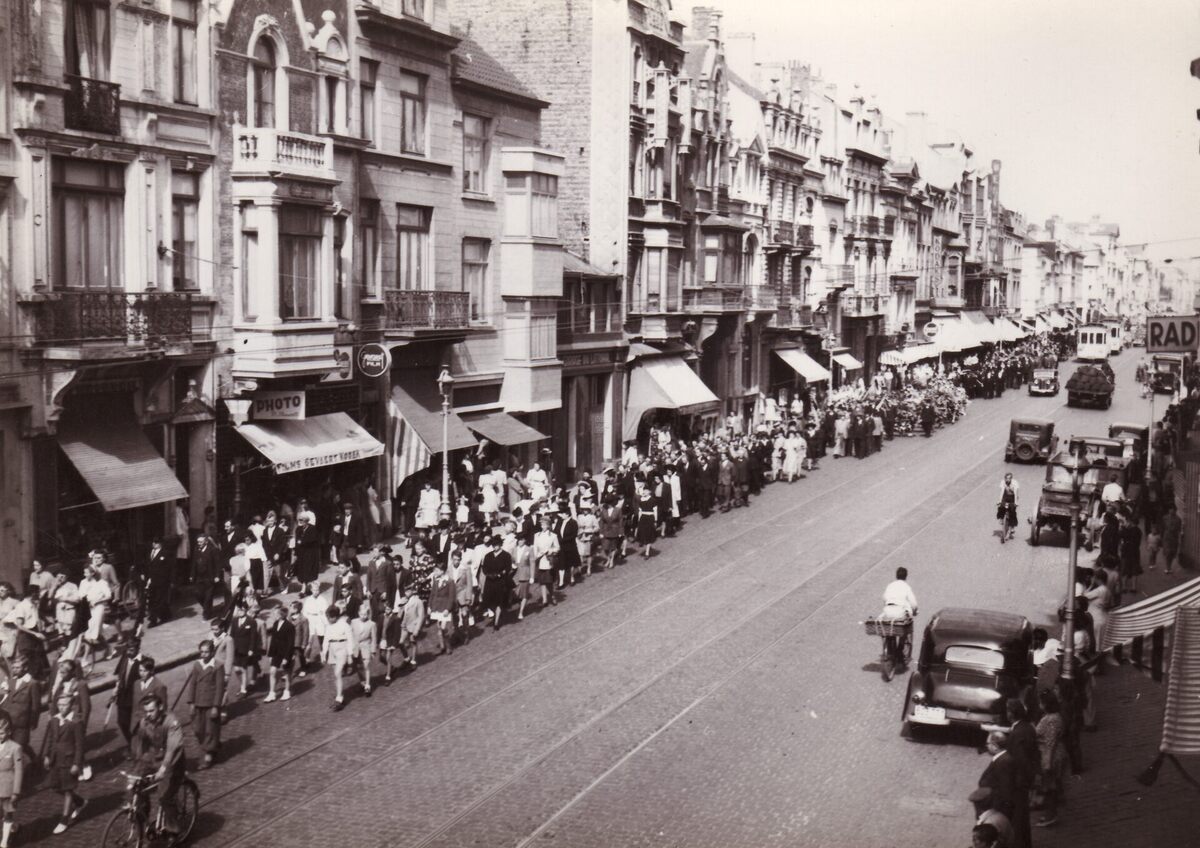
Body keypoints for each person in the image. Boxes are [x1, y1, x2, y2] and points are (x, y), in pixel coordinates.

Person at [130, 692, 186, 835]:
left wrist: (163, 769)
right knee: (137, 789)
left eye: (151, 711)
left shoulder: (171, 722)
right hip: (155, 759)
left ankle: (173, 830)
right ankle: (142, 823)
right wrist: (136, 768)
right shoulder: (144, 722)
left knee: (165, 797)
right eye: (146, 711)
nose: (148, 715)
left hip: (173, 763)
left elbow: (172, 748)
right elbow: (141, 746)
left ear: (160, 707)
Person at [43, 693, 86, 834]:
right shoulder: (54, 720)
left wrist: (77, 764)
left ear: (71, 705)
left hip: (69, 760)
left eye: (65, 705)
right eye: (59, 705)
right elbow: (50, 739)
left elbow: (80, 745)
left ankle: (64, 819)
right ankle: (79, 801)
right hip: (56, 759)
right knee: (54, 786)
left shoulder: (76, 722)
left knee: (68, 789)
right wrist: (47, 755)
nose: (61, 707)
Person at [186, 639, 225, 769]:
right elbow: (193, 684)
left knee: (210, 729)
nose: (203, 654)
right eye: (201, 652)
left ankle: (208, 754)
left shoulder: (218, 666)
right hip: (198, 702)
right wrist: (191, 702)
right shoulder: (197, 665)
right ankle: (213, 745)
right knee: (197, 729)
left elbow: (219, 687)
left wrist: (216, 706)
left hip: (210, 703)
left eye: (206, 652)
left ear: (212, 652)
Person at [1034, 689, 1068, 827]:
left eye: (1041, 702)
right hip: (1054, 754)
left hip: (1051, 756)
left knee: (1049, 787)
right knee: (1053, 785)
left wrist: (1047, 763)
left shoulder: (1051, 720)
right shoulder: (1052, 716)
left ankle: (1050, 815)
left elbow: (1050, 742)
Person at [109, 636, 144, 746]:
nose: (128, 652)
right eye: (127, 649)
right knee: (122, 722)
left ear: (138, 649)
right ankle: (132, 743)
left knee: (135, 724)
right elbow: (120, 675)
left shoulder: (143, 662)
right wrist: (116, 687)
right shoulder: (125, 658)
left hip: (135, 698)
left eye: (131, 650)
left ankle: (139, 745)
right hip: (122, 696)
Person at [321, 606, 355, 710]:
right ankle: (339, 696)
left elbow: (350, 640)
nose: (328, 619)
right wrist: (324, 653)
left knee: (337, 672)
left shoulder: (345, 625)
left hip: (342, 648)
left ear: (335, 617)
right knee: (336, 675)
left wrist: (350, 655)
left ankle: (339, 698)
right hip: (332, 649)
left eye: (329, 617)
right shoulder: (328, 626)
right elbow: (326, 640)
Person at [0, 716, 25, 848]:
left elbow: (19, 771)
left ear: (9, 732)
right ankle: (13, 826)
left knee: (8, 813)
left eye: (1, 733)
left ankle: (4, 842)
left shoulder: (15, 748)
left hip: (8, 787)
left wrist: (16, 791)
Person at [264, 606, 296, 703]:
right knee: (272, 671)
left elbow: (290, 643)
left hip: (286, 653)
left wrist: (286, 657)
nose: (274, 615)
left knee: (287, 672)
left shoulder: (290, 626)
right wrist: (270, 654)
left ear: (282, 614)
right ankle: (272, 693)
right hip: (276, 653)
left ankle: (287, 691)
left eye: (276, 613)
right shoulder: (275, 624)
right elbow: (273, 640)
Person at [997, 473, 1019, 542]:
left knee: (1012, 511)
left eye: (1009, 478)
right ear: (1005, 478)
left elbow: (1016, 493)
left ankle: (1012, 526)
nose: (1007, 480)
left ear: (1011, 479)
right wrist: (999, 501)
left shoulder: (1015, 483)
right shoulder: (1003, 482)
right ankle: (1001, 518)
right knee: (1001, 506)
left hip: (1013, 497)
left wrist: (1016, 502)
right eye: (1006, 478)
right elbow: (1002, 492)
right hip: (1005, 496)